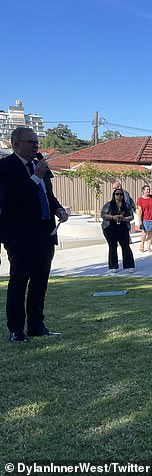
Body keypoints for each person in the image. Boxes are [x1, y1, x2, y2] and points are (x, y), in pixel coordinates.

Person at [0, 127, 69, 342]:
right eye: (31, 142)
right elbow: (11, 199)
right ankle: (16, 330)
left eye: (36, 142)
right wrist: (36, 177)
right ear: (16, 144)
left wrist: (58, 208)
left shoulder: (39, 166)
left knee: (40, 281)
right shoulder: (5, 167)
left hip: (44, 233)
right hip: (20, 235)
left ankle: (36, 326)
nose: (35, 146)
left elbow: (47, 194)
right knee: (19, 281)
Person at [101, 188, 135, 273]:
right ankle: (113, 267)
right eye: (117, 194)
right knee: (112, 246)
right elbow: (103, 215)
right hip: (110, 227)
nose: (119, 196)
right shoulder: (109, 204)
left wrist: (124, 218)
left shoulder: (126, 205)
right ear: (114, 195)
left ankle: (129, 265)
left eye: (121, 194)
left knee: (125, 246)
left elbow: (131, 216)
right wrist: (113, 217)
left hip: (123, 227)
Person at [136, 185, 152, 253]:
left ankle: (148, 247)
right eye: (147, 189)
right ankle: (142, 245)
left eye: (149, 189)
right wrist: (139, 221)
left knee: (150, 233)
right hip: (145, 218)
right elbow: (139, 211)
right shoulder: (140, 200)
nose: (148, 191)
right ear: (143, 191)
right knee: (144, 233)